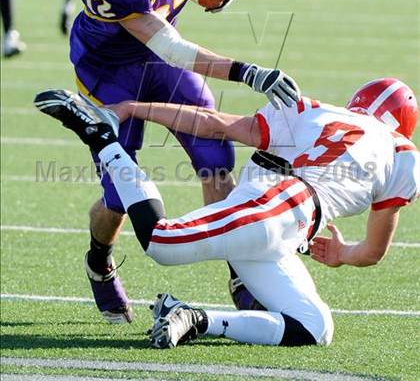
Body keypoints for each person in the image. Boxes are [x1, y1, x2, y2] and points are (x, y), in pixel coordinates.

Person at [55, 0, 300, 326]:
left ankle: (239, 274)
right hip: (112, 71)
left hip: (161, 61)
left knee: (216, 162)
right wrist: (247, 72)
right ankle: (99, 260)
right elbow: (170, 46)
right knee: (118, 195)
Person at [34, 77, 419, 347]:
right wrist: (343, 254)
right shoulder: (403, 153)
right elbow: (373, 251)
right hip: (285, 206)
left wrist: (136, 108)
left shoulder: (316, 111)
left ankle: (194, 318)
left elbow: (214, 124)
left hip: (276, 223)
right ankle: (103, 140)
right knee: (161, 242)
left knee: (314, 326)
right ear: (405, 126)